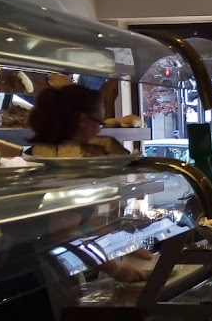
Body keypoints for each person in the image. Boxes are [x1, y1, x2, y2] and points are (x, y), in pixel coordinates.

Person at [28, 85, 152, 284]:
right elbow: (63, 232)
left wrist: (125, 245)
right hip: (33, 272)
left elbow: (87, 222)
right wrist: (114, 268)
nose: (98, 130)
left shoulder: (42, 155)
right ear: (82, 120)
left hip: (44, 262)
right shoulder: (64, 165)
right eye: (99, 123)